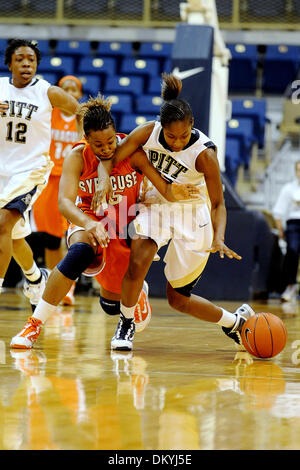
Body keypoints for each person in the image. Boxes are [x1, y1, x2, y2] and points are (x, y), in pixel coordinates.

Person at [10, 94, 201, 349]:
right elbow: (65, 203)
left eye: (110, 141)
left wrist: (175, 192)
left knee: (110, 305)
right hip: (89, 219)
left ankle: (131, 305)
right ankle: (33, 325)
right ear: (86, 139)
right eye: (98, 144)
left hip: (123, 226)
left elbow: (164, 188)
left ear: (116, 133)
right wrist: (88, 224)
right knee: (79, 253)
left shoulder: (132, 152)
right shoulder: (77, 157)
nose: (106, 149)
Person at [93, 73, 256, 352]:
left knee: (178, 299)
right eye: (171, 136)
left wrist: (219, 237)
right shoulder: (148, 132)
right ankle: (126, 322)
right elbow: (112, 158)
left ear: (192, 125)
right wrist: (103, 178)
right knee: (139, 260)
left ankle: (233, 322)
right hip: (157, 203)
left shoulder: (205, 155)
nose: (177, 142)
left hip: (192, 214)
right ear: (161, 128)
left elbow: (218, 203)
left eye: (183, 135)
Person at [0, 39, 81, 310]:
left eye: (31, 60)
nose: (26, 64)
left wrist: (82, 142)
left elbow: (82, 111)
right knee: (13, 235)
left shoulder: (47, 92)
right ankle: (36, 279)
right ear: (9, 62)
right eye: (20, 59)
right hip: (2, 170)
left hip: (31, 170)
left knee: (2, 225)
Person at [31, 75, 83, 306]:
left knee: (69, 235)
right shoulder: (48, 113)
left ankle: (69, 286)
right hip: (49, 179)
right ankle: (57, 282)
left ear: (80, 95)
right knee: (51, 238)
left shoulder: (82, 118)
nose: (70, 91)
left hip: (73, 179)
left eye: (74, 88)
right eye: (65, 88)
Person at [273, 160, 300, 302]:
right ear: (296, 172)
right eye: (299, 170)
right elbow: (278, 212)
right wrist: (281, 231)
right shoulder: (288, 189)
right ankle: (290, 287)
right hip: (294, 225)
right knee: (293, 250)